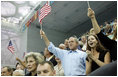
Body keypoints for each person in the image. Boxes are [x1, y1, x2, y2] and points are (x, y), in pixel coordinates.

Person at [87, 8, 117, 76]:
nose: (90, 41)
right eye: (88, 40)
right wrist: (92, 17)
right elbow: (99, 34)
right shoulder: (113, 45)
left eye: (92, 39)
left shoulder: (105, 52)